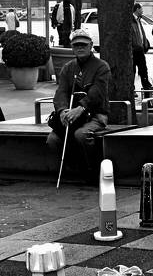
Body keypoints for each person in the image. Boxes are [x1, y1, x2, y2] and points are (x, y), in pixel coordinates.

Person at [46, 28, 111, 181]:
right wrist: (62, 110)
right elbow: (60, 91)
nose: (80, 48)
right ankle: (72, 167)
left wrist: (81, 107)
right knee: (52, 140)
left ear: (91, 46)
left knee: (81, 135)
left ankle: (91, 169)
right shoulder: (68, 67)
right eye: (76, 45)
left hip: (96, 114)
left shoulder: (102, 66)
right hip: (70, 115)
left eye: (83, 45)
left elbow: (97, 93)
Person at [131, 2, 153, 95]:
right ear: (137, 9)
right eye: (141, 9)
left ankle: (146, 88)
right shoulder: (131, 20)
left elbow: (141, 34)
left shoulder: (138, 20)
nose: (143, 11)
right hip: (134, 50)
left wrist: (144, 45)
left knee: (143, 70)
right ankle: (132, 89)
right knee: (133, 70)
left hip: (139, 49)